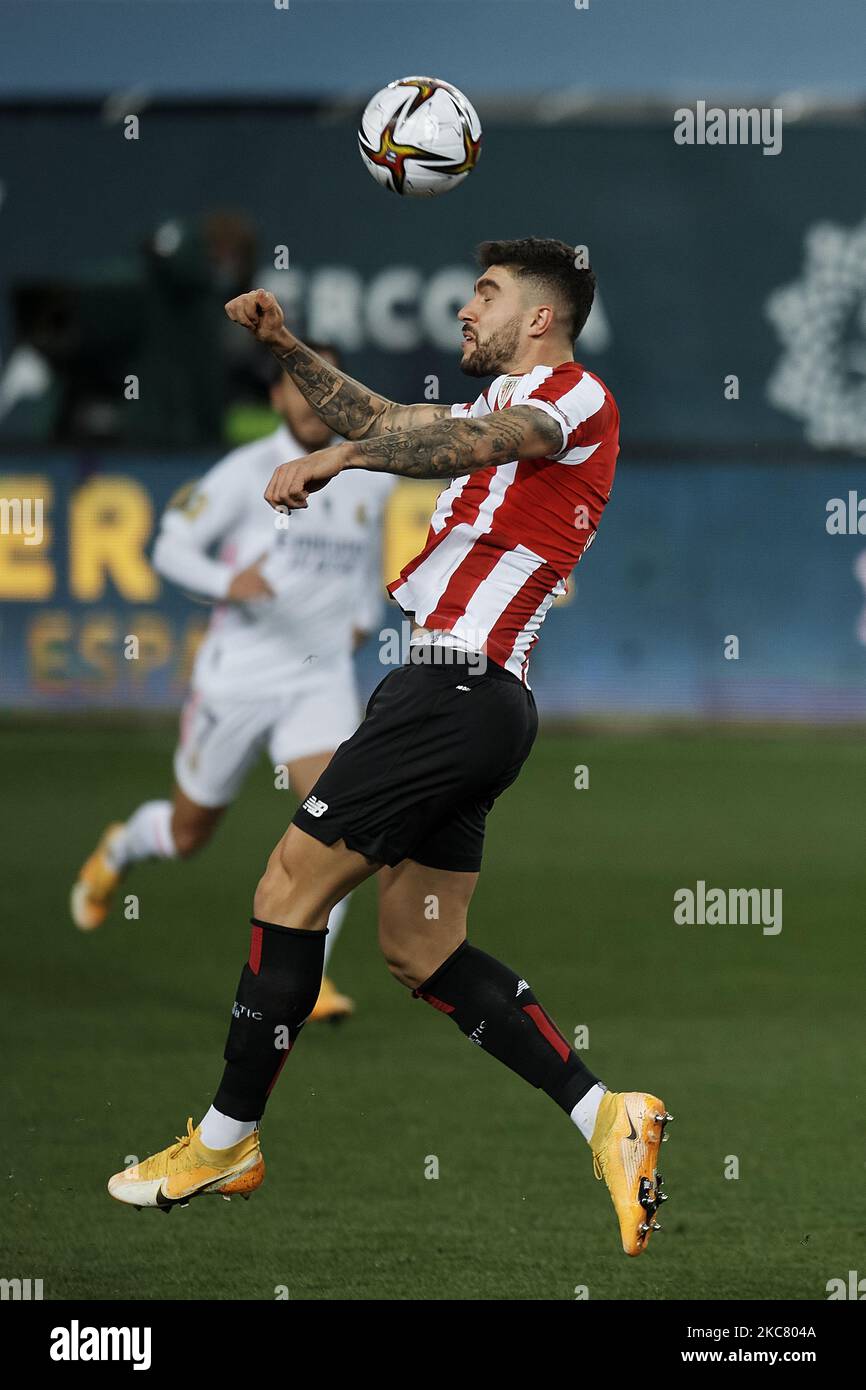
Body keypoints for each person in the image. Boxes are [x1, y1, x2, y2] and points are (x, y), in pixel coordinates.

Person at [107, 238, 671, 1257]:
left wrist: (340, 456)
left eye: (485, 294)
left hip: (453, 694)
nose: (465, 308)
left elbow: (459, 445)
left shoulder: (573, 398)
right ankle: (605, 1116)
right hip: (462, 700)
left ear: (539, 316)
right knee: (420, 945)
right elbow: (393, 420)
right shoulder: (494, 407)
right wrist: (288, 347)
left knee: (287, 886)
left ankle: (226, 1139)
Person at [73, 350, 394, 1022]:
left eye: (325, 384)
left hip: (319, 680)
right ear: (276, 397)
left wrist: (364, 617)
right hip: (239, 679)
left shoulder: (367, 477)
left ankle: (309, 983)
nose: (313, 398)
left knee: (342, 829)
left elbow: (365, 564)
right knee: (189, 834)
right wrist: (227, 582)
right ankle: (121, 847)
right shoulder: (246, 472)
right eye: (299, 384)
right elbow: (168, 545)